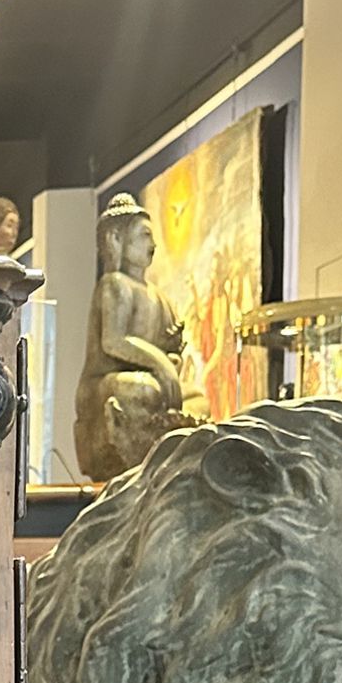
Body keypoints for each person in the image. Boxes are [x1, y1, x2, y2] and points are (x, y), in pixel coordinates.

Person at [74, 191, 207, 481]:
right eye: (144, 236)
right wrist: (159, 363)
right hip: (105, 384)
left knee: (197, 398)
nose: (153, 244)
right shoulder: (115, 285)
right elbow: (113, 341)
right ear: (117, 240)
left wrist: (170, 358)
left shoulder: (158, 296)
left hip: (150, 380)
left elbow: (168, 351)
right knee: (138, 388)